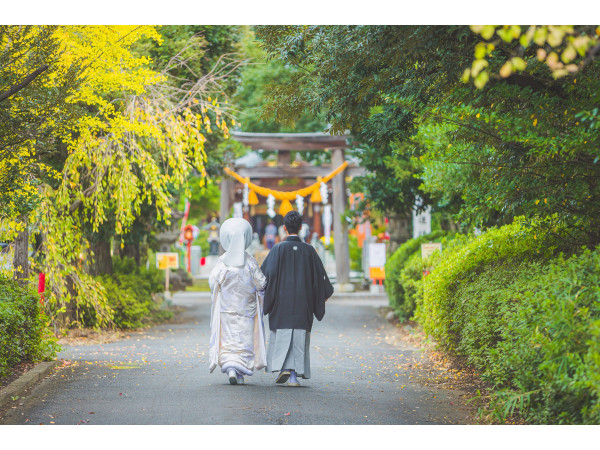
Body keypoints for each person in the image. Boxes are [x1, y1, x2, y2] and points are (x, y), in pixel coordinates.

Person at [260, 211, 334, 386]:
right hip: (303, 303)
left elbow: (263, 276)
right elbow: (320, 277)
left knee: (282, 335)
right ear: (301, 228)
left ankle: (284, 367)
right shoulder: (309, 251)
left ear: (284, 228)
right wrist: (322, 295)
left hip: (280, 303)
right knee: (299, 339)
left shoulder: (277, 249)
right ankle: (293, 377)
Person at [208, 218, 268, 385]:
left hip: (226, 309)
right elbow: (261, 283)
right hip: (246, 310)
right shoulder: (249, 261)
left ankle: (231, 368)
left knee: (228, 339)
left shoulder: (223, 261)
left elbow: (213, 282)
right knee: (243, 340)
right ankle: (240, 371)